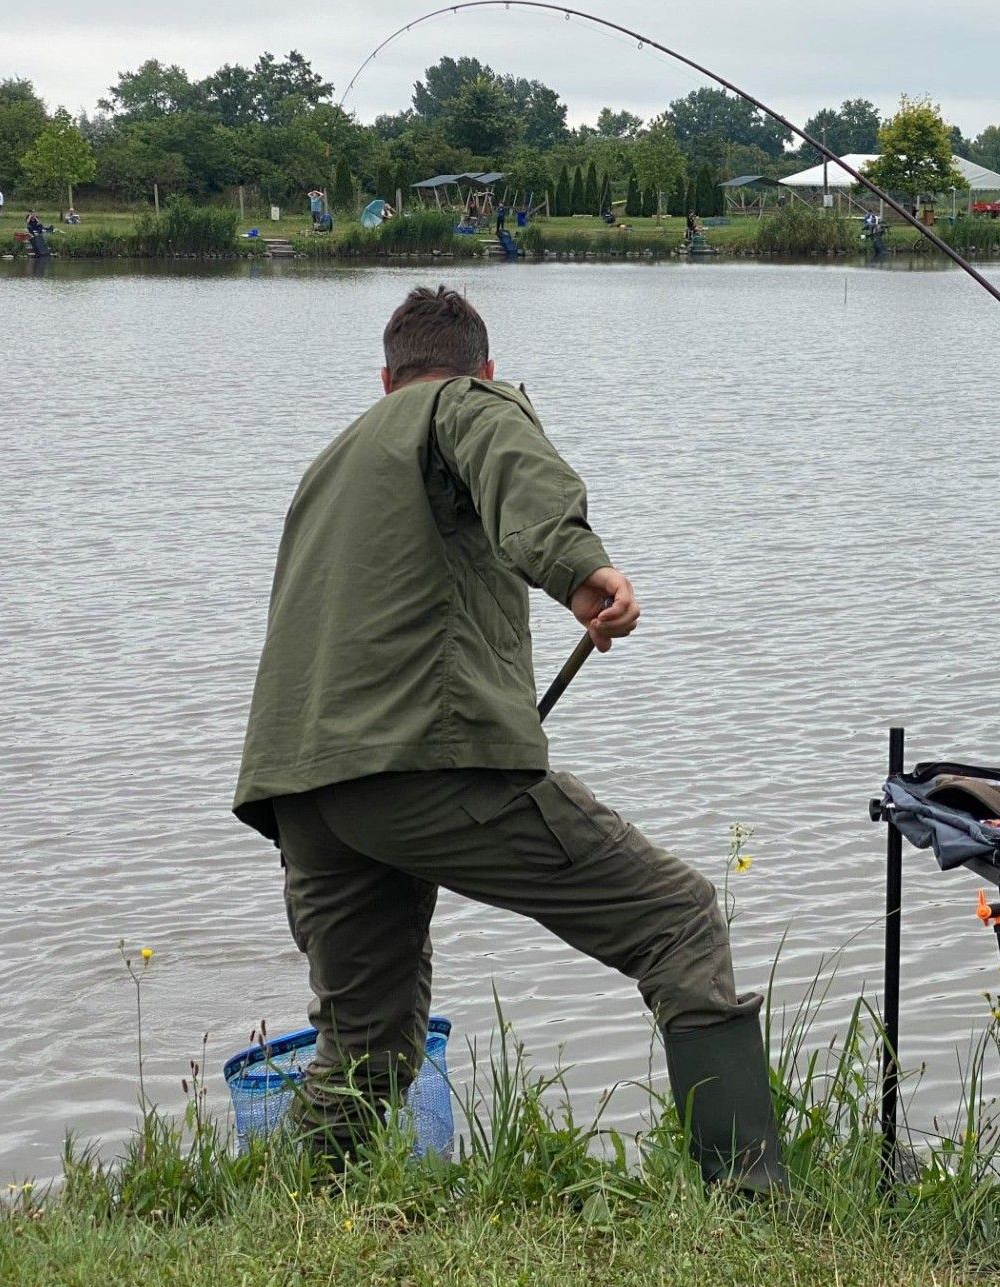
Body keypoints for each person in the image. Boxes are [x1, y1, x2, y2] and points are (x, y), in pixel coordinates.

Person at [232, 285, 786, 1190]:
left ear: (385, 379)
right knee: (678, 922)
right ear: (484, 370)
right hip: (422, 761)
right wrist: (581, 573)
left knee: (363, 1042)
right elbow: (510, 468)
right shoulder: (464, 404)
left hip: (306, 792)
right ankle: (755, 1205)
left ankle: (285, 1217)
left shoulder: (330, 463)